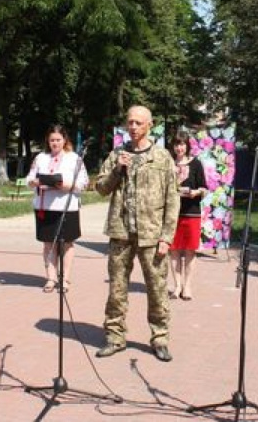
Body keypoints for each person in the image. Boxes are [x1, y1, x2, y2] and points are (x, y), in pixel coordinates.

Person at [94, 105, 179, 362]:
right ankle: (115, 337)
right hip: (121, 233)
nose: (133, 127)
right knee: (117, 289)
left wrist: (167, 236)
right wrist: (117, 170)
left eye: (138, 123)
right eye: (129, 123)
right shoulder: (117, 154)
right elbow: (100, 188)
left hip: (152, 235)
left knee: (156, 288)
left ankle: (160, 337)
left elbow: (172, 199)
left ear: (149, 125)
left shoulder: (162, 157)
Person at [26, 125, 89, 293]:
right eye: (52, 140)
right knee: (48, 244)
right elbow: (30, 177)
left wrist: (66, 185)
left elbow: (84, 183)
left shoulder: (74, 158)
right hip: (45, 207)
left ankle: (66, 279)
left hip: (67, 207)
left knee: (67, 244)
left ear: (64, 140)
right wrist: (34, 182)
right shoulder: (40, 157)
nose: (55, 143)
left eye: (58, 140)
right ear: (48, 140)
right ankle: (50, 278)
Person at [168, 131, 207, 301]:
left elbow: (204, 188)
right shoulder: (168, 164)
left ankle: (187, 286)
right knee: (174, 250)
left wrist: (194, 192)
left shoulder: (196, 164)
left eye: (182, 144)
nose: (179, 147)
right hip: (172, 213)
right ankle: (176, 286)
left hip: (192, 212)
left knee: (190, 251)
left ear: (188, 146)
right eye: (177, 144)